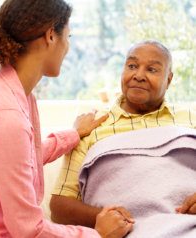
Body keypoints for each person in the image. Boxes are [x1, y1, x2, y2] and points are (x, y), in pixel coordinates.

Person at [0, 0, 133, 237]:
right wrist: (98, 234)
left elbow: (21, 159)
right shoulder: (6, 115)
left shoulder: (10, 88)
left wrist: (73, 135)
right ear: (50, 36)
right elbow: (28, 230)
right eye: (69, 35)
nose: (68, 47)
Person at [50, 40, 196, 228]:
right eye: (132, 66)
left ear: (169, 80)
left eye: (152, 70)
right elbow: (59, 206)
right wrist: (103, 217)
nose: (139, 75)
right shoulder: (91, 127)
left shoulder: (191, 121)